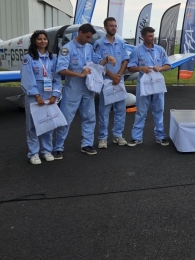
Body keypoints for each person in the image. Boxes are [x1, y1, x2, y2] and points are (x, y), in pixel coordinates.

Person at [53, 23, 97, 158]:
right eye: (87, 37)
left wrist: (107, 59)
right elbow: (61, 70)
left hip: (88, 88)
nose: (89, 40)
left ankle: (87, 144)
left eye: (90, 38)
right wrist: (80, 74)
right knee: (66, 117)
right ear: (80, 32)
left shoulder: (89, 48)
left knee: (89, 117)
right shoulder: (67, 49)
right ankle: (58, 147)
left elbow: (95, 62)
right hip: (73, 88)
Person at [21, 30, 62, 165]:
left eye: (45, 39)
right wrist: (36, 95)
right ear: (34, 41)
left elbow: (56, 77)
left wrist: (55, 94)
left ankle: (46, 151)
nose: (43, 41)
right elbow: (27, 78)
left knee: (48, 123)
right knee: (32, 125)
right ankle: (33, 153)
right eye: (39, 39)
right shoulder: (29, 58)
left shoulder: (52, 58)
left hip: (49, 94)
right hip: (35, 94)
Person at [127, 27, 171, 146]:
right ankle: (136, 137)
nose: (153, 38)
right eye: (150, 36)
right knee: (141, 111)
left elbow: (168, 65)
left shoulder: (160, 49)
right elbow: (130, 68)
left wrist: (160, 68)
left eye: (153, 35)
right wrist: (141, 68)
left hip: (157, 84)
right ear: (143, 37)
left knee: (159, 110)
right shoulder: (137, 51)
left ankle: (160, 136)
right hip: (144, 84)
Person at [93, 17, 130, 148]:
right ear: (105, 27)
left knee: (121, 110)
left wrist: (119, 75)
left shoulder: (121, 42)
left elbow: (125, 60)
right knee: (104, 111)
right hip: (106, 82)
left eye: (115, 26)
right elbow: (98, 63)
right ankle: (103, 138)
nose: (114, 28)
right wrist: (112, 76)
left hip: (119, 81)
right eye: (111, 26)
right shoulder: (99, 44)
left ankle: (118, 135)